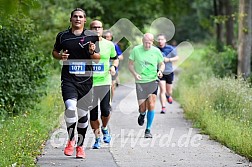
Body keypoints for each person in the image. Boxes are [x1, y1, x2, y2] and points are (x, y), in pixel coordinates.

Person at [52, 8, 100, 158]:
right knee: (70, 107)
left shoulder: (92, 36)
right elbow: (54, 52)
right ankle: (71, 139)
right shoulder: (62, 36)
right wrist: (60, 56)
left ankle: (80, 146)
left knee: (82, 114)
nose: (78, 19)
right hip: (68, 79)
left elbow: (97, 58)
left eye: (81, 17)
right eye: (75, 16)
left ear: (85, 20)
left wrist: (92, 52)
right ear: (71, 19)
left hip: (86, 80)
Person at [128, 33, 165, 138]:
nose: (147, 45)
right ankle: (142, 114)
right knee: (142, 107)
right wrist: (135, 74)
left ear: (152, 42)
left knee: (151, 104)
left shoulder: (156, 51)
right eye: (145, 43)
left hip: (152, 80)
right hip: (140, 82)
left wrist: (160, 71)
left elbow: (162, 63)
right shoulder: (136, 50)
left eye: (149, 43)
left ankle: (148, 130)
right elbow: (130, 64)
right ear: (142, 41)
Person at [89, 20, 119, 149]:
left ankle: (105, 127)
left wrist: (113, 67)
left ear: (102, 29)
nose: (97, 29)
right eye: (94, 27)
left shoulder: (109, 44)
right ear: (89, 30)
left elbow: (115, 58)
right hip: (89, 84)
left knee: (105, 110)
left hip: (104, 82)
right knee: (93, 114)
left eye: (99, 27)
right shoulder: (84, 44)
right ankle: (97, 138)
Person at [157, 34, 179, 114]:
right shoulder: (155, 49)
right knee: (162, 89)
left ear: (165, 40)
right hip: (160, 72)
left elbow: (177, 58)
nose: (160, 41)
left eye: (162, 39)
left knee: (169, 91)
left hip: (169, 72)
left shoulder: (170, 48)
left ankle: (168, 96)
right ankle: (163, 107)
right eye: (159, 39)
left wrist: (168, 59)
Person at [103, 30, 124, 101]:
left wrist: (113, 58)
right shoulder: (99, 44)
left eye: (108, 37)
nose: (107, 38)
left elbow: (121, 57)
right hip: (102, 69)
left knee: (111, 86)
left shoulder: (114, 45)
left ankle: (110, 102)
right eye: (105, 37)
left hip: (113, 68)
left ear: (111, 37)